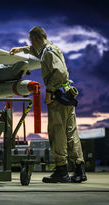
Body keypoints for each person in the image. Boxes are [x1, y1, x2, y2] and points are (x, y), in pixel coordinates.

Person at [10, 26, 87, 183]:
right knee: (71, 132)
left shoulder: (48, 52)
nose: (31, 44)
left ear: (36, 38)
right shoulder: (50, 48)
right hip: (66, 94)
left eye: (31, 40)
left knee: (57, 133)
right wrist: (21, 49)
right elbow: (35, 50)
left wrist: (50, 92)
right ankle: (79, 169)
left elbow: (60, 72)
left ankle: (61, 170)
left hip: (58, 97)